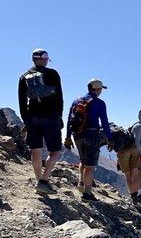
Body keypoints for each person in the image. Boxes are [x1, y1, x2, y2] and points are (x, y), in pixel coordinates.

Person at [17, 48, 64, 195]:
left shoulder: (23, 76)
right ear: (44, 60)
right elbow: (59, 97)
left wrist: (26, 119)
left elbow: (22, 102)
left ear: (33, 59)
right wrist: (59, 116)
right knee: (55, 151)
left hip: (32, 116)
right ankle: (43, 181)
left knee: (35, 150)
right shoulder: (52, 74)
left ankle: (39, 182)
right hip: (50, 116)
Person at [64, 79, 113, 202]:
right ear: (97, 89)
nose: (101, 91)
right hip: (92, 134)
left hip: (77, 135)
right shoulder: (99, 103)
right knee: (90, 166)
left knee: (82, 160)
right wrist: (110, 138)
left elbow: (70, 120)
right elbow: (105, 123)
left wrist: (68, 136)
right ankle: (87, 194)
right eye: (101, 89)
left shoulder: (77, 101)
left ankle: (81, 183)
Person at [117, 109, 141, 204]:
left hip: (140, 151)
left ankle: (135, 193)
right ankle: (136, 194)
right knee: (140, 172)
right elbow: (136, 140)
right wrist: (139, 151)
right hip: (139, 152)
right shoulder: (139, 126)